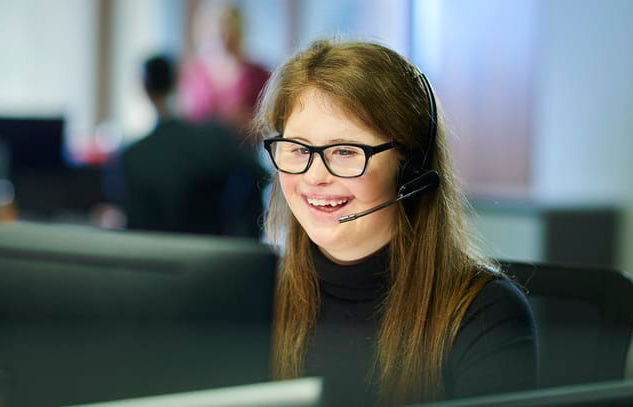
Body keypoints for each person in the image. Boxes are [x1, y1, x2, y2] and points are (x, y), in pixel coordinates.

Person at [254, 39, 538, 406]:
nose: (314, 176)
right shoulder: (253, 297)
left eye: (344, 151)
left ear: (410, 169)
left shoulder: (484, 316)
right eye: (298, 149)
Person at [119, 55, 267, 237]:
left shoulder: (130, 157)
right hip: (213, 256)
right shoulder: (214, 138)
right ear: (177, 81)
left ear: (144, 88)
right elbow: (260, 175)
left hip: (150, 258)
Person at [177, 3, 269, 146]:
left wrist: (240, 121)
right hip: (203, 155)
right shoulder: (195, 74)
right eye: (217, 28)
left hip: (243, 157)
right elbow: (185, 120)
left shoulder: (258, 74)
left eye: (228, 28)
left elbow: (269, 125)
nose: (223, 35)